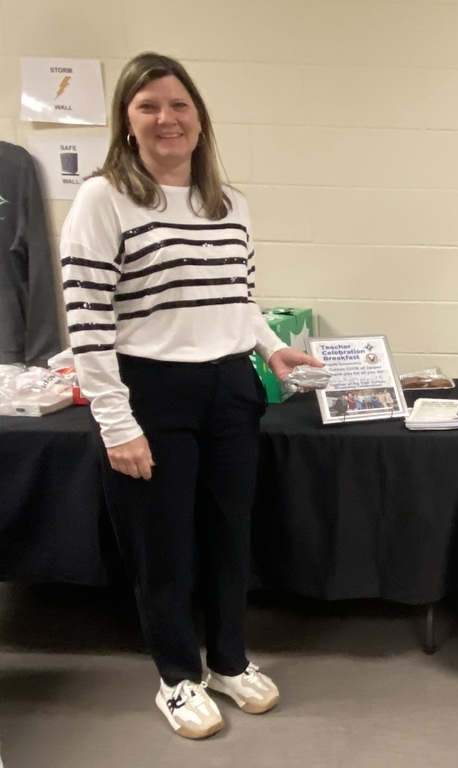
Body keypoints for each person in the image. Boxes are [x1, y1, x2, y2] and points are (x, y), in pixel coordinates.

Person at [60, 52, 322, 739]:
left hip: (231, 387)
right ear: (126, 121)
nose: (165, 118)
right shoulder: (103, 198)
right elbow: (86, 319)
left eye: (178, 105)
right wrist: (116, 423)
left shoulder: (228, 203)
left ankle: (230, 661)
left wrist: (271, 347)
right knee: (162, 546)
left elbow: (238, 297)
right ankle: (177, 678)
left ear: (200, 120)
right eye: (147, 106)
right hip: (151, 391)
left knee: (230, 537)